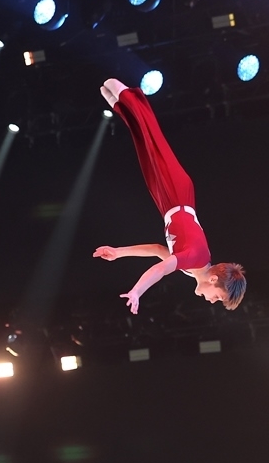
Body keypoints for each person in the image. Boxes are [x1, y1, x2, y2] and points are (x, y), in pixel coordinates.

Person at [95, 78, 246, 315]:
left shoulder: (190, 268)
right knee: (154, 142)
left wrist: (118, 252)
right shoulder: (195, 257)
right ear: (213, 280)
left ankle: (120, 104)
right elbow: (160, 269)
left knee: (144, 148)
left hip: (167, 203)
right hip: (178, 194)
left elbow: (157, 250)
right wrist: (137, 291)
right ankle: (126, 95)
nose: (211, 301)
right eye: (217, 297)